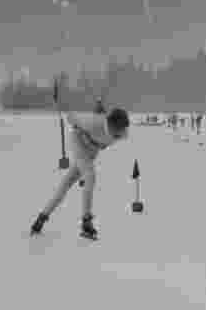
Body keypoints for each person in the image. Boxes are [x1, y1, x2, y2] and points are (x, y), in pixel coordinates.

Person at [30, 102, 131, 240]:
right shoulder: (92, 123)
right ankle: (86, 221)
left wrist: (100, 114)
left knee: (66, 183)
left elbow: (106, 135)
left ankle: (42, 217)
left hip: (91, 151)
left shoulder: (121, 132)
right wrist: (69, 114)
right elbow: (73, 118)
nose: (120, 133)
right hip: (78, 143)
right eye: (118, 129)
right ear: (112, 124)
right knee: (90, 176)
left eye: (122, 129)